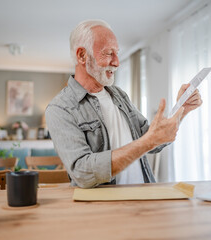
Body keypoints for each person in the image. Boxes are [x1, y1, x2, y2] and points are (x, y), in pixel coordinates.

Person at [45, 19, 202, 188]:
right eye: (108, 53)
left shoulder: (119, 95)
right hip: (105, 210)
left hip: (144, 199)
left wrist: (182, 110)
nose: (117, 62)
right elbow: (82, 172)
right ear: (82, 56)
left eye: (117, 53)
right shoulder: (59, 109)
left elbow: (154, 139)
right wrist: (147, 143)